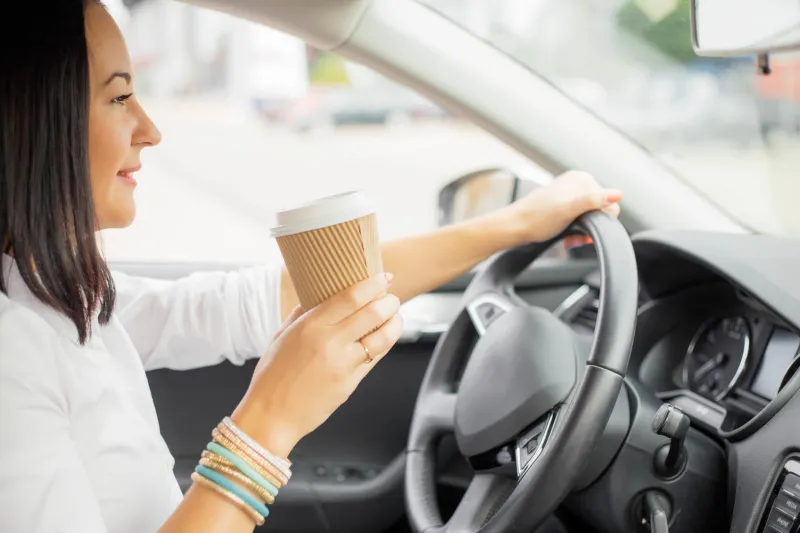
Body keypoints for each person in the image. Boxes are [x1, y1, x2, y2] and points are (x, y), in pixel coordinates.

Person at [0, 2, 622, 533]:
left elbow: (275, 295)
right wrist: (270, 417)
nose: (150, 130)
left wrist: (516, 224)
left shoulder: (57, 291)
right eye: (119, 97)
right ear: (31, 120)